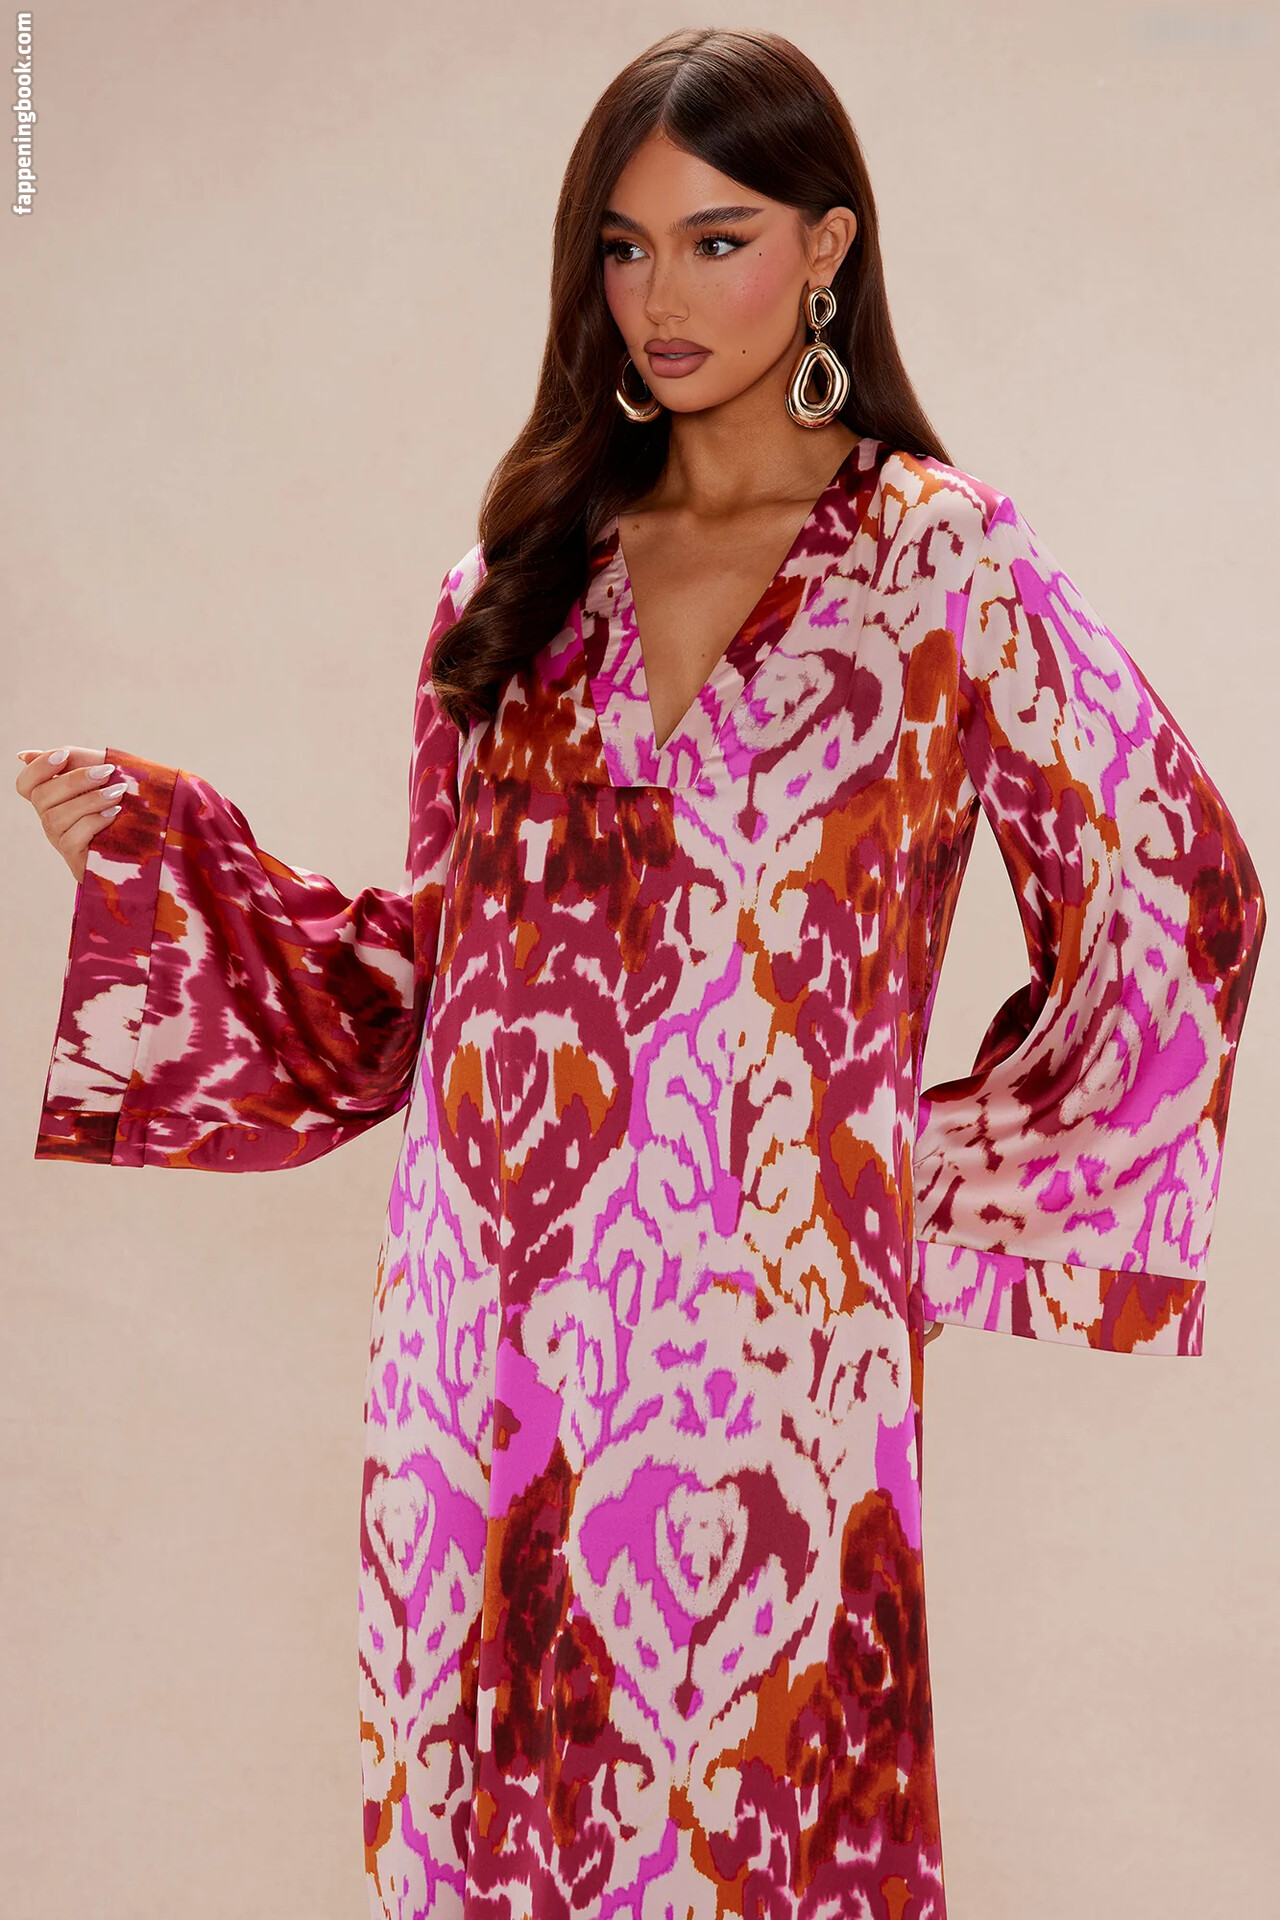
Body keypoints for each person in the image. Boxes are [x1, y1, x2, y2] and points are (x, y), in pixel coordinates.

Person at [15, 26, 1266, 1920]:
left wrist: (914, 1189)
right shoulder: (512, 584)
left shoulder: (939, 569)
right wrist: (174, 854)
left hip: (770, 1371)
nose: (659, 297)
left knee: (773, 1846)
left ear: (827, 247)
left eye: (715, 239)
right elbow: (429, 985)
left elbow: (1182, 890)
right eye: (622, 246)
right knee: (485, 1841)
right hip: (481, 1363)